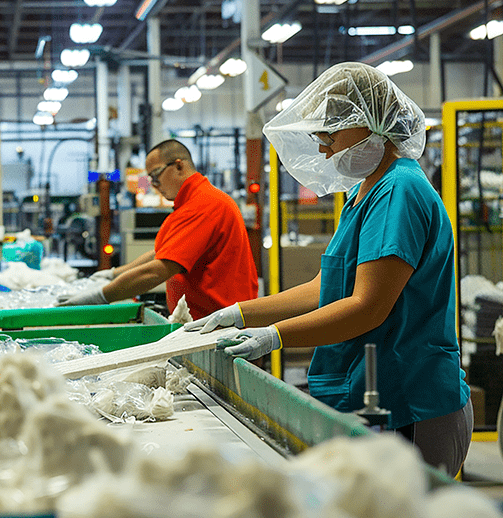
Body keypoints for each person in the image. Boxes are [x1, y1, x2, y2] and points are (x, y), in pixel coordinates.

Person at [185, 62, 472, 477]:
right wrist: (240, 313)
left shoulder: (400, 190)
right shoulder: (364, 191)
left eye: (330, 136)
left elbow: (367, 307)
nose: (324, 150)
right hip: (371, 391)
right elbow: (326, 286)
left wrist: (274, 336)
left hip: (408, 402)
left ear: (369, 123)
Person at [58, 139, 258, 320]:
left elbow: (158, 270)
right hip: (211, 321)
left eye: (156, 175)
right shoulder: (194, 201)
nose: (154, 185)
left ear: (179, 166)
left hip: (222, 325)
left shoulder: (204, 205)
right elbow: (160, 254)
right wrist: (113, 274)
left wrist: (100, 296)